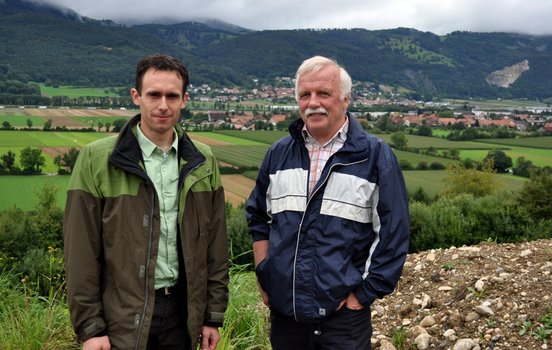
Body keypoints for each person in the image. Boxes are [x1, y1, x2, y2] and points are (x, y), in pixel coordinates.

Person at [64, 54, 229, 350]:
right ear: (136, 97)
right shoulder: (96, 159)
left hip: (184, 314)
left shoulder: (203, 161)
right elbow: (81, 252)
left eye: (172, 96)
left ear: (185, 99)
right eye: (154, 94)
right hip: (121, 316)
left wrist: (212, 315)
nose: (163, 105)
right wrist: (91, 327)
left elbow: (216, 245)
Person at [246, 55, 410, 349]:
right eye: (305, 95)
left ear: (346, 99)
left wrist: (362, 296)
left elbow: (393, 234)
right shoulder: (278, 155)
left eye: (324, 93)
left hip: (342, 321)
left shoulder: (374, 156)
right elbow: (259, 217)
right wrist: (264, 273)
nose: (313, 102)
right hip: (286, 317)